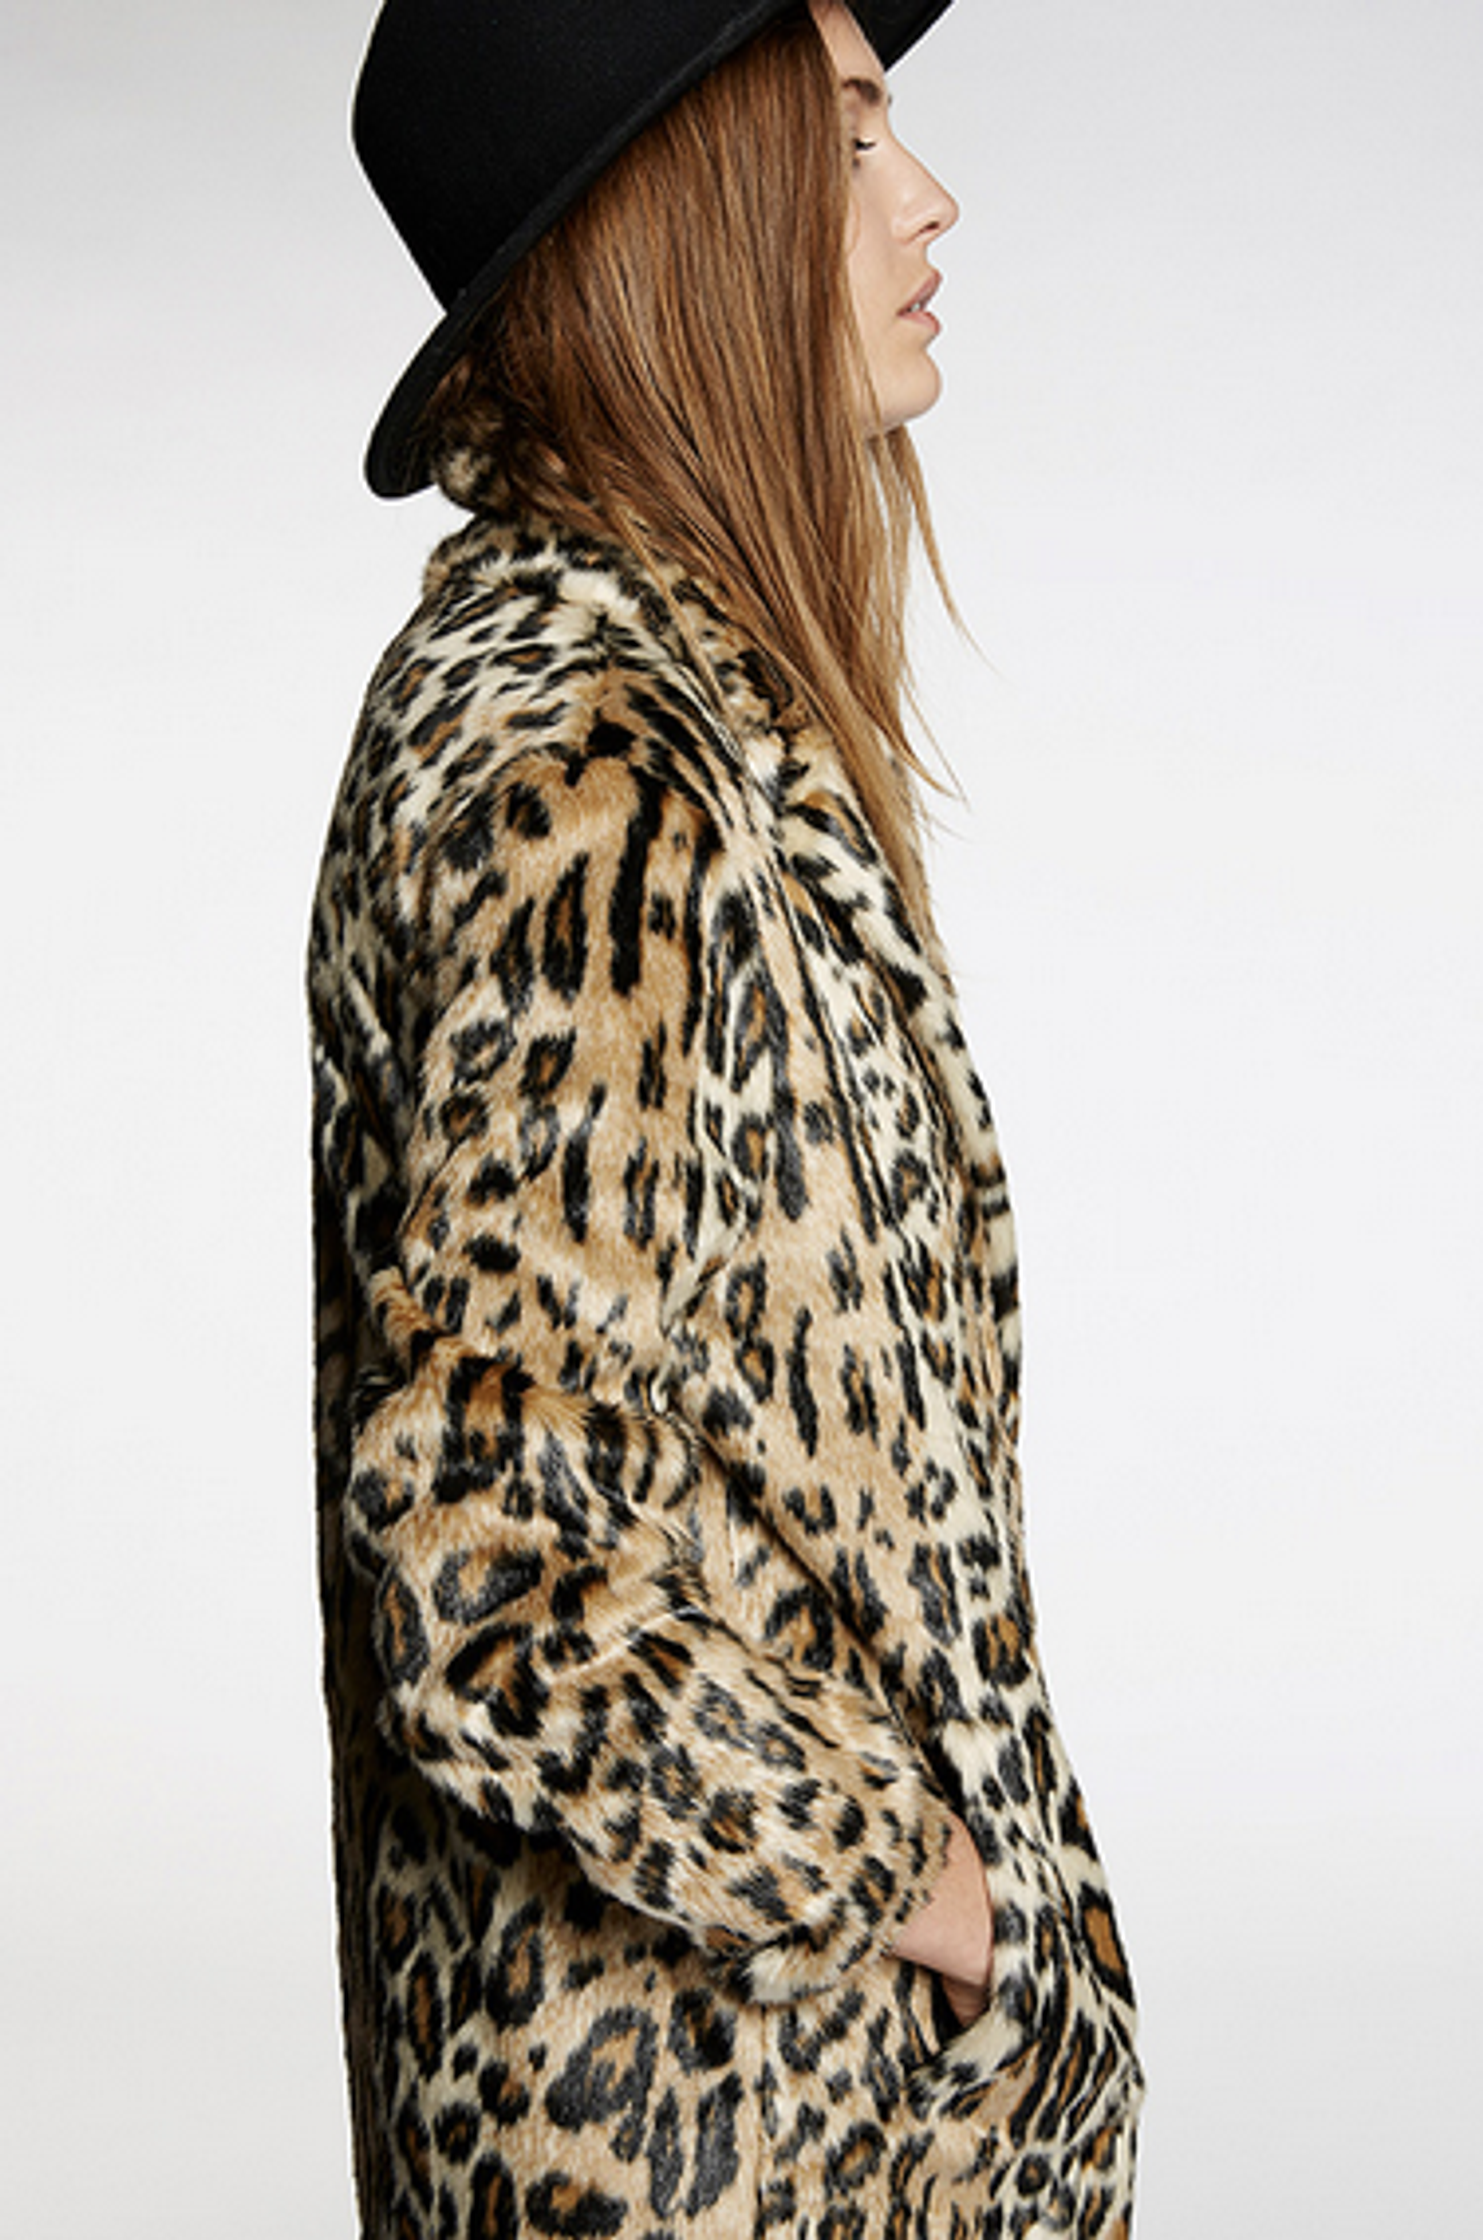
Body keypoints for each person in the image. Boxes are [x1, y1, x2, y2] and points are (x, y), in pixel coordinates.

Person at [310, 3, 1143, 2234]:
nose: (928, 198)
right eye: (852, 135)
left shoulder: (638, 700)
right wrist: (907, 1873)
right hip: (735, 2138)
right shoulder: (597, 763)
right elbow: (485, 1556)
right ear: (691, 215)